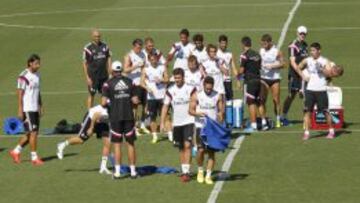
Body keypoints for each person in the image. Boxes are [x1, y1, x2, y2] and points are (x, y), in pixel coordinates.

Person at [295, 43, 342, 140]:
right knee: (307, 111)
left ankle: (331, 131)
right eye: (311, 50)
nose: (311, 52)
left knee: (325, 112)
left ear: (319, 51)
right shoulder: (307, 60)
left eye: (313, 50)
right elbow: (298, 67)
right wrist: (303, 76)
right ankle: (307, 133)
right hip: (310, 90)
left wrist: (321, 68)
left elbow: (329, 74)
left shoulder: (325, 61)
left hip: (321, 90)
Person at [102, 60, 139, 179]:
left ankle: (117, 173)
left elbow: (103, 102)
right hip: (129, 116)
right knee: (131, 144)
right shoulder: (130, 82)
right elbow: (135, 100)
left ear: (112, 71)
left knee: (117, 145)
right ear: (121, 70)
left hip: (115, 117)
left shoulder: (108, 84)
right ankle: (133, 172)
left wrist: (111, 102)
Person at [160, 68, 195, 183]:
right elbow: (165, 106)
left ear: (183, 77)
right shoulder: (170, 90)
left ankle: (186, 171)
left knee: (187, 145)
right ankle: (184, 169)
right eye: (175, 78)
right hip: (177, 123)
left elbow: (196, 102)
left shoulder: (190, 89)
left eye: (179, 78)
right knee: (181, 148)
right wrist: (162, 122)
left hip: (189, 121)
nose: (177, 80)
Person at [56, 104, 111, 174]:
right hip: (91, 117)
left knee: (108, 142)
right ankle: (62, 145)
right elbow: (95, 116)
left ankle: (103, 167)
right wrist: (91, 128)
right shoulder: (108, 111)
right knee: (81, 140)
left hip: (102, 121)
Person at [9, 54, 44, 165]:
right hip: (27, 108)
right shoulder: (24, 76)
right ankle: (34, 158)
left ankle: (16, 151)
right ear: (30, 63)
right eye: (36, 63)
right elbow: (20, 93)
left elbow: (38, 91)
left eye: (39, 63)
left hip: (34, 108)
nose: (38, 65)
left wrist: (40, 105)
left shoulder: (37, 75)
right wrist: (20, 109)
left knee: (31, 134)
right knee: (33, 133)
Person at [189, 76, 224, 185]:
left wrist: (220, 114)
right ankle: (200, 170)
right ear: (203, 86)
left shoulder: (217, 95)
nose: (208, 90)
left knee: (211, 153)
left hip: (212, 128)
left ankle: (208, 175)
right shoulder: (197, 95)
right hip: (201, 127)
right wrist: (198, 113)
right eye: (207, 88)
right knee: (200, 150)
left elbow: (221, 109)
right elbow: (190, 110)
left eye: (210, 88)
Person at [281, 26, 309, 125]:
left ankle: (306, 119)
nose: (302, 35)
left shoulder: (305, 45)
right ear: (297, 33)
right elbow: (292, 62)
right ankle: (283, 116)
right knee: (291, 96)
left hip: (304, 75)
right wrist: (300, 73)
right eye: (301, 33)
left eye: (304, 34)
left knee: (306, 96)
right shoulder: (293, 45)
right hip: (294, 74)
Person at [140, 53, 169, 144]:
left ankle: (170, 134)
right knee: (153, 117)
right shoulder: (146, 69)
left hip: (162, 96)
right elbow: (141, 83)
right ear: (149, 60)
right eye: (151, 59)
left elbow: (167, 79)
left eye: (155, 59)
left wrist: (161, 80)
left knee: (167, 116)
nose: (153, 61)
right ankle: (155, 136)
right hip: (151, 97)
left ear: (157, 59)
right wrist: (147, 88)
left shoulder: (162, 67)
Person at [258, 34, 285, 129]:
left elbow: (283, 64)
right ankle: (264, 120)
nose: (263, 46)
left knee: (276, 100)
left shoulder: (276, 51)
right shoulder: (261, 51)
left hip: (274, 79)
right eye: (262, 44)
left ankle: (278, 119)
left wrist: (272, 66)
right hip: (264, 78)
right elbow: (259, 61)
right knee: (262, 100)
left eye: (265, 44)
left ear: (269, 42)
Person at [123, 38, 149, 135]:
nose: (139, 49)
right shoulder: (129, 56)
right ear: (134, 46)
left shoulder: (143, 54)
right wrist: (135, 66)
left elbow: (145, 66)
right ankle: (133, 127)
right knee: (135, 106)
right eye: (138, 47)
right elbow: (125, 70)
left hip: (143, 83)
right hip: (133, 84)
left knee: (146, 105)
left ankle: (142, 125)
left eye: (140, 47)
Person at [238, 36, 263, 132]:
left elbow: (241, 69)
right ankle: (264, 123)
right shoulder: (257, 54)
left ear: (243, 44)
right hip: (258, 79)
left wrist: (237, 77)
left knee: (251, 103)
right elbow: (260, 67)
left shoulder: (244, 55)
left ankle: (253, 125)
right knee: (259, 102)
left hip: (250, 81)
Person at [82, 29, 112, 109]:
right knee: (91, 95)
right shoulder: (87, 48)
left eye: (98, 36)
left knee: (104, 95)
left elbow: (109, 57)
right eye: (95, 36)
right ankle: (89, 114)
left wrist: (110, 71)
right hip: (93, 77)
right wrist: (87, 78)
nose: (97, 38)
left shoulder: (105, 46)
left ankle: (103, 112)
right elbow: (84, 64)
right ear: (92, 37)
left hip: (104, 76)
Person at [217, 34, 238, 101]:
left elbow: (233, 67)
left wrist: (237, 79)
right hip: (219, 80)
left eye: (225, 43)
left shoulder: (229, 54)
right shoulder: (216, 53)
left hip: (227, 79)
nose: (224, 45)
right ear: (219, 43)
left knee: (229, 99)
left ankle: (228, 111)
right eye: (222, 43)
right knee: (219, 99)